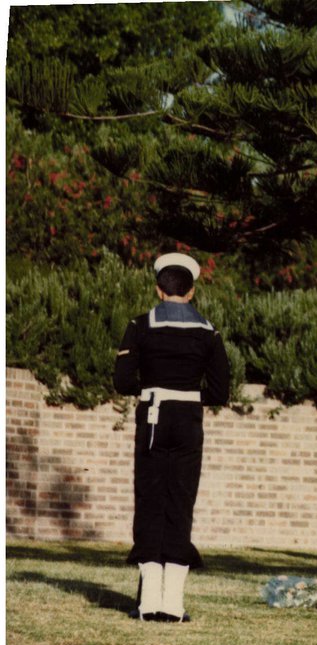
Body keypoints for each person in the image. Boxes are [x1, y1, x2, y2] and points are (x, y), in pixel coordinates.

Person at [113, 252, 230, 622]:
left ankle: (148, 603)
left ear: (158, 290)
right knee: (181, 501)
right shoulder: (208, 331)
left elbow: (121, 380)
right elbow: (220, 391)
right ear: (192, 291)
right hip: (188, 418)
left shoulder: (139, 325)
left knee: (150, 501)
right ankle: (173, 605)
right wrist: (193, 397)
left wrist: (149, 387)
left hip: (153, 414)